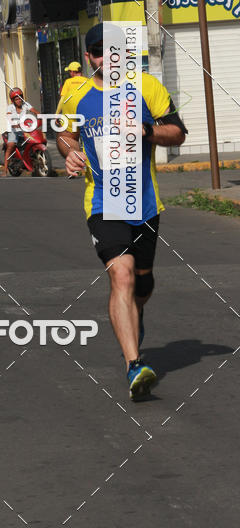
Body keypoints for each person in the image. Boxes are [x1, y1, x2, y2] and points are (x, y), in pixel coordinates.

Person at [57, 23, 187, 401]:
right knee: (123, 276)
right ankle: (134, 364)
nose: (105, 59)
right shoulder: (76, 95)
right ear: (89, 58)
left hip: (145, 202)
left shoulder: (147, 87)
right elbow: (64, 135)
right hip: (102, 201)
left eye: (112, 51)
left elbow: (178, 132)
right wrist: (71, 154)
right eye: (98, 53)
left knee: (142, 285)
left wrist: (146, 130)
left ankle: (136, 315)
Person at [2, 87, 41, 176]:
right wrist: (13, 123)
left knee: (34, 140)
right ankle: (5, 170)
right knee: (11, 145)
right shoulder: (10, 108)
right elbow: (9, 117)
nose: (19, 100)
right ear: (13, 100)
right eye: (16, 99)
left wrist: (41, 116)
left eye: (20, 97)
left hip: (25, 129)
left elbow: (35, 111)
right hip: (14, 130)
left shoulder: (25, 104)